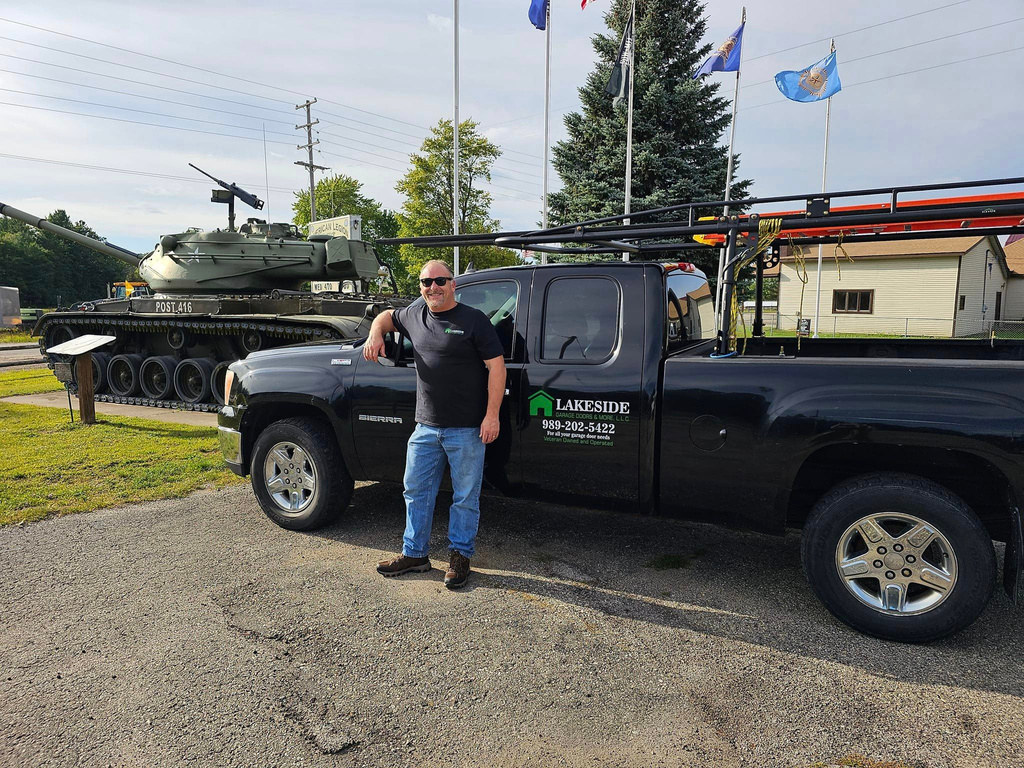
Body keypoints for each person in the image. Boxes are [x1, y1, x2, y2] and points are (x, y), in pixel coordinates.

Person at [363, 259, 506, 589]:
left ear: (453, 284)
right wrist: (374, 335)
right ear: (421, 287)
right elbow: (386, 316)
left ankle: (460, 556)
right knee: (415, 490)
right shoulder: (414, 314)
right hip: (425, 427)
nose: (433, 287)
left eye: (440, 281)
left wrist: (491, 415)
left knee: (465, 497)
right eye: (426, 282)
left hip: (467, 429)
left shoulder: (473, 320)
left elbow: (497, 368)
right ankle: (415, 554)